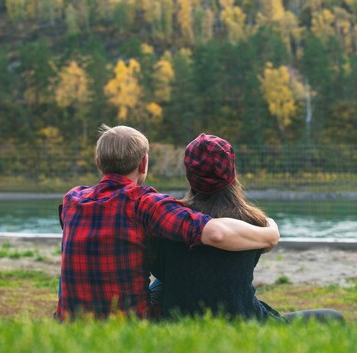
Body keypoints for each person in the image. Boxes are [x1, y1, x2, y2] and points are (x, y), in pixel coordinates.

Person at [55, 125, 280, 321]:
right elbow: (215, 234)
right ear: (143, 163)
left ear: (98, 163)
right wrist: (269, 233)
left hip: (69, 321)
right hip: (129, 322)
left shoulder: (71, 200)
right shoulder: (145, 204)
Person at [150, 133, 344, 324]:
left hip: (183, 321)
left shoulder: (170, 221)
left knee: (164, 282)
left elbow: (161, 271)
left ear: (189, 174)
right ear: (232, 172)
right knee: (334, 318)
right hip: (247, 320)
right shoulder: (254, 222)